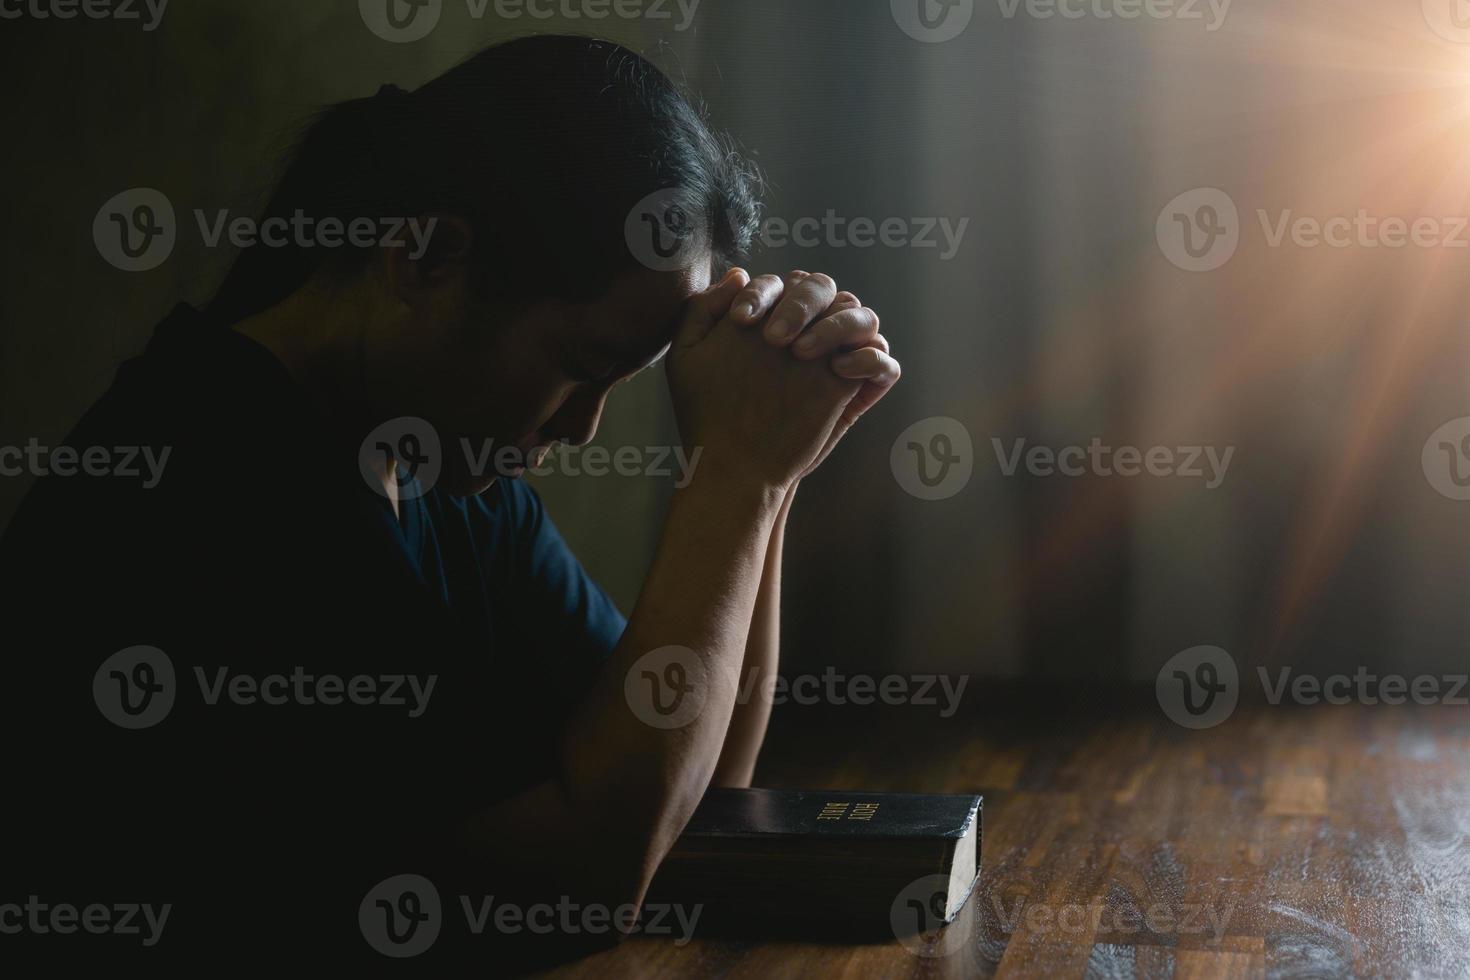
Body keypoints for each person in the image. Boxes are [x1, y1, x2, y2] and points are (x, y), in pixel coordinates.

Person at [0, 34, 899, 964]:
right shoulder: (211, 485)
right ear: (426, 255)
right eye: (580, 368)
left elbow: (696, 796)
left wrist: (771, 476)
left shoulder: (436, 467)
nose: (584, 427)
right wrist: (736, 476)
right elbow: (588, 881)